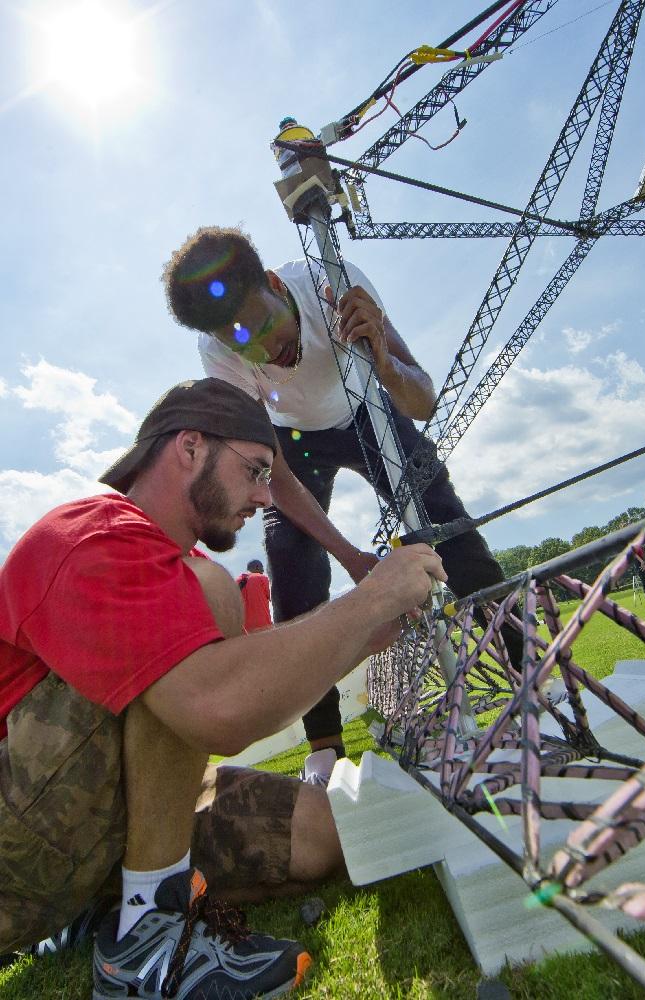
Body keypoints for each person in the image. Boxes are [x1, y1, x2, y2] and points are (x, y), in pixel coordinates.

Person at [0, 377, 445, 999]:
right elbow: (218, 707)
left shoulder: (175, 565)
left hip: (88, 820)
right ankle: (149, 930)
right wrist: (370, 600)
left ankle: (104, 905)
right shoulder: (89, 534)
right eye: (256, 471)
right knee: (202, 607)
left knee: (324, 836)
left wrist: (360, 633)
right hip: (12, 846)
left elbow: (240, 680)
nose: (266, 497)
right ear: (189, 447)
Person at [162, 226, 521, 785]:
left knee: (448, 526)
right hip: (293, 443)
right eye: (242, 344)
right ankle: (324, 746)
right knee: (291, 557)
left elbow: (422, 399)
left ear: (277, 285)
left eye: (262, 327)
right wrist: (354, 558)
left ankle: (528, 676)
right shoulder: (218, 350)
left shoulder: (333, 282)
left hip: (367, 409)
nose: (262, 352)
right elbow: (273, 472)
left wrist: (380, 354)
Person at [237, 558, 273, 631]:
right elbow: (272, 598)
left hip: (245, 631)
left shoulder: (235, 582)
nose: (262, 571)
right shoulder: (262, 578)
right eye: (262, 569)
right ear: (257, 567)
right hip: (264, 626)